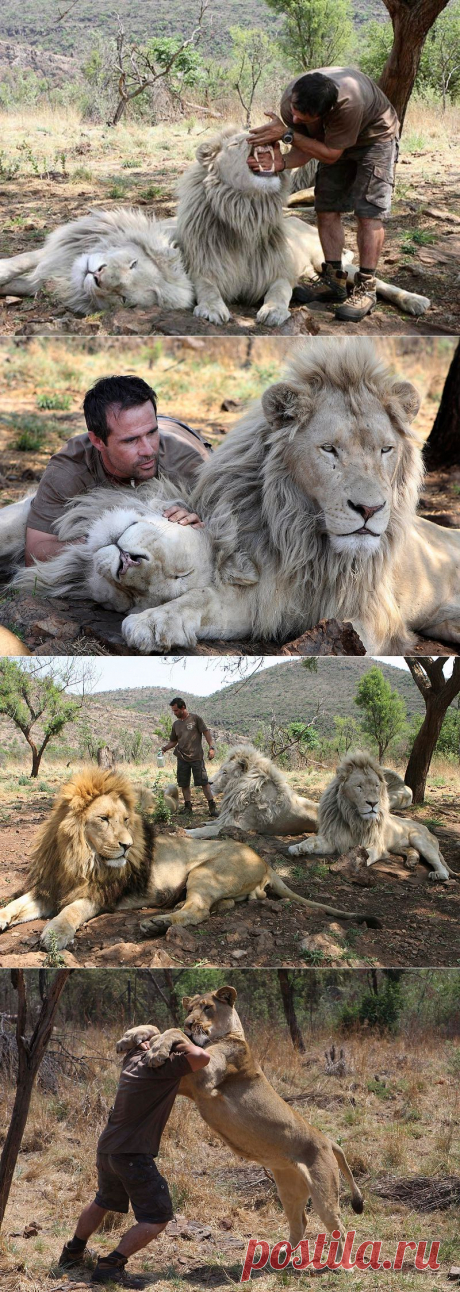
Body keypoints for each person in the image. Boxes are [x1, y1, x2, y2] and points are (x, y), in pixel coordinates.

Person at [248, 68, 399, 322]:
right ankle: (333, 281)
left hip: (375, 138)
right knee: (326, 206)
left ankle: (366, 288)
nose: (294, 119)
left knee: (369, 212)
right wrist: (280, 163)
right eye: (294, 111)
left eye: (304, 117)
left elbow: (330, 154)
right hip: (333, 142)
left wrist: (286, 134)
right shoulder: (292, 101)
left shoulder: (348, 105)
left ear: (326, 113)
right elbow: (305, 147)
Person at [59, 1031, 209, 1286]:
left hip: (108, 1148)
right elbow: (201, 1057)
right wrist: (176, 1037)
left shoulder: (132, 1059)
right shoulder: (163, 1067)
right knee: (157, 1217)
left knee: (103, 1201)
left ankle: (73, 1252)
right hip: (132, 1153)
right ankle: (111, 1265)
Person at [25, 374, 211, 566]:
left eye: (152, 432)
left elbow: (224, 536)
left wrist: (195, 526)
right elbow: (34, 554)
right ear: (97, 441)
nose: (148, 450)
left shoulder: (187, 463)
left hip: (179, 431)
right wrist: (103, 538)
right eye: (130, 440)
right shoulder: (69, 470)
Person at [160, 697, 218, 818]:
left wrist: (211, 747)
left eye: (176, 710)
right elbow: (174, 741)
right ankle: (188, 807)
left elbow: (206, 733)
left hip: (196, 757)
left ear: (183, 708)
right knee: (184, 783)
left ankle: (212, 807)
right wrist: (164, 749)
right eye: (173, 711)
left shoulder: (195, 719)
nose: (174, 713)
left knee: (204, 782)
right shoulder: (176, 724)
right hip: (182, 758)